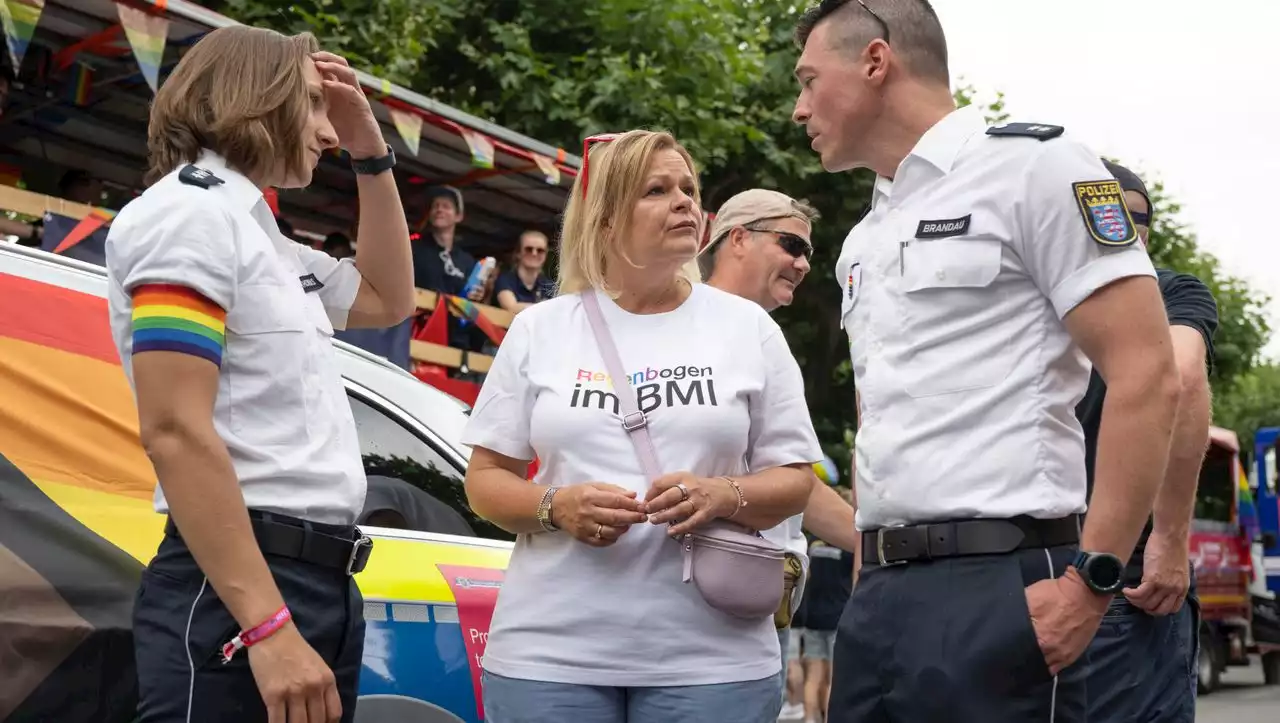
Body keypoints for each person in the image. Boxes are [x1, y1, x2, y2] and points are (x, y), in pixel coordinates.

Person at [790, 1, 1180, 720]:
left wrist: (1090, 581)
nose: (798, 108)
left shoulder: (1040, 166)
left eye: (809, 80)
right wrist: (864, 576)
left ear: (876, 61)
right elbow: (877, 418)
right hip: (878, 596)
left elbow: (1149, 373)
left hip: (1004, 583)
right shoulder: (865, 238)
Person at [104, 25, 414, 723]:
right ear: (256, 98)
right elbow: (176, 429)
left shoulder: (259, 234)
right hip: (244, 586)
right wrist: (267, 627)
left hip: (305, 581)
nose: (327, 132)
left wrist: (372, 153)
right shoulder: (190, 216)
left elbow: (389, 299)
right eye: (311, 104)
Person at [460, 129, 822, 723]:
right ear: (604, 220)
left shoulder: (747, 328)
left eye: (689, 188)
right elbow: (484, 481)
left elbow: (796, 481)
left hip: (713, 663)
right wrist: (557, 505)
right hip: (550, 659)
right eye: (657, 190)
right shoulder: (541, 329)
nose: (685, 201)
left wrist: (721, 494)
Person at [700, 188, 858, 707]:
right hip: (707, 614)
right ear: (738, 238)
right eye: (791, 244)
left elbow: (793, 486)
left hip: (749, 604)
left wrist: (878, 545)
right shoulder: (694, 327)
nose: (803, 263)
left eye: (809, 252)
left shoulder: (755, 333)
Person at [1080, 160, 1217, 722]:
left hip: (1082, 577)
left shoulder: (1168, 290)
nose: (1129, 229)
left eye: (1140, 218)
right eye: (1111, 212)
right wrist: (1169, 537)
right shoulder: (1167, 295)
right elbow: (1181, 381)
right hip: (1119, 580)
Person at [494, 229, 555, 314]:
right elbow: (511, 307)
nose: (534, 253)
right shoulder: (505, 279)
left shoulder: (550, 286)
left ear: (545, 255)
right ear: (518, 253)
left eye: (540, 251)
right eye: (529, 249)